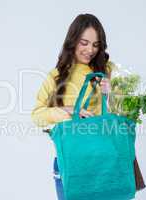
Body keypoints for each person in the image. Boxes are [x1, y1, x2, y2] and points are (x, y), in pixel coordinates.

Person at [31, 13, 118, 200]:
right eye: (84, 43)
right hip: (69, 163)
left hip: (103, 162)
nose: (90, 50)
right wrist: (67, 110)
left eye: (95, 45)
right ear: (73, 40)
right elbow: (37, 116)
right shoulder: (56, 75)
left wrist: (111, 93)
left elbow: (123, 116)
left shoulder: (107, 70)